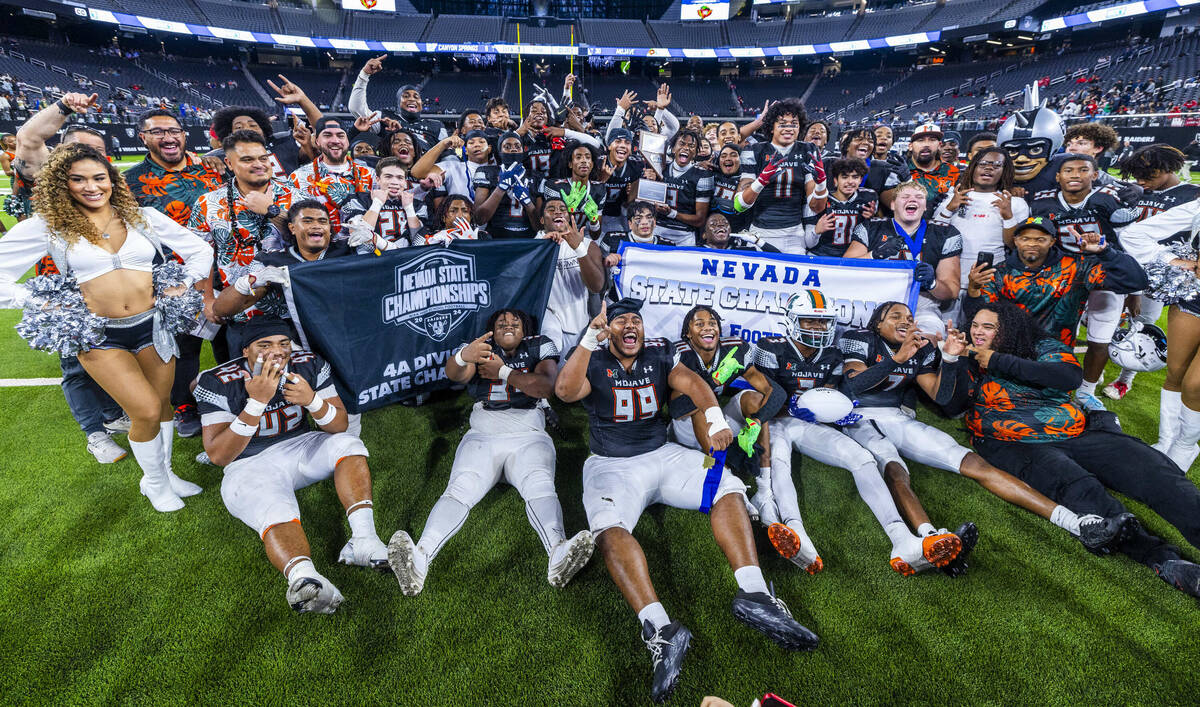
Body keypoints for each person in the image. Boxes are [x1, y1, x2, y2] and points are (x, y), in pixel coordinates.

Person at [554, 297, 818, 703]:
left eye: (635, 321)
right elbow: (565, 391)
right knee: (608, 529)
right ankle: (661, 630)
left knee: (727, 487)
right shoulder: (591, 356)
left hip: (661, 454)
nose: (629, 326)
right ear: (607, 331)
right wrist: (590, 337)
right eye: (621, 320)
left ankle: (755, 593)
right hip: (613, 464)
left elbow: (694, 384)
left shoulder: (660, 353)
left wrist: (714, 420)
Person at [0, 143, 212, 511]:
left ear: (112, 179)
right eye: (77, 179)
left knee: (162, 404)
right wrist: (38, 301)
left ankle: (165, 473)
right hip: (98, 335)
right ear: (61, 184)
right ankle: (155, 483)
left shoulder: (141, 216)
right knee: (144, 410)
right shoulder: (49, 226)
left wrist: (184, 281)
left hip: (153, 326)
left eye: (99, 177)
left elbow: (200, 250)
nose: (91, 186)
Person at [939, 300, 1200, 598]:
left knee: (1153, 471)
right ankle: (1167, 561)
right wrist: (952, 359)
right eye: (974, 325)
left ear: (1009, 329)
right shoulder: (965, 356)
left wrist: (996, 359)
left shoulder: (1040, 345)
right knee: (1082, 491)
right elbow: (951, 405)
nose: (978, 332)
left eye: (988, 327)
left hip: (1076, 430)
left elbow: (1068, 377)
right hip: (1014, 442)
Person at [838, 301, 1130, 561]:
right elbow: (854, 385)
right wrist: (897, 359)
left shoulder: (920, 347)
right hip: (859, 415)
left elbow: (942, 398)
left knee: (974, 463)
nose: (905, 321)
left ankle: (1077, 524)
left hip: (899, 417)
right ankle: (929, 537)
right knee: (895, 470)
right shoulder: (859, 338)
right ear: (876, 323)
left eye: (909, 316)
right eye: (895, 316)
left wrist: (950, 360)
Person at [388, 309, 595, 596]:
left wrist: (503, 372)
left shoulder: (539, 345)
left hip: (528, 433)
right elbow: (455, 373)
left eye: (515, 323)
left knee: (541, 486)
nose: (508, 326)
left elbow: (547, 387)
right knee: (460, 489)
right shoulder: (480, 347)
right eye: (501, 324)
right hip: (483, 433)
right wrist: (463, 357)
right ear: (492, 330)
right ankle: (419, 558)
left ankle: (558, 553)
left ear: (526, 330)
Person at [194, 317, 390, 614]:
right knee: (276, 509)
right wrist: (256, 404)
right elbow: (220, 455)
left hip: (299, 448)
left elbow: (339, 425)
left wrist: (312, 401)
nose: (277, 351)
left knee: (348, 444)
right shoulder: (217, 380)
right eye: (265, 345)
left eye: (283, 343)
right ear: (245, 350)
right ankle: (306, 580)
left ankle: (364, 539)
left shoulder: (307, 363)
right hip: (248, 464)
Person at [11, 92, 129, 463]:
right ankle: (95, 435)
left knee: (114, 352)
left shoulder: (106, 185)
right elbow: (28, 138)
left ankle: (112, 415)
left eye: (96, 152)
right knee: (76, 364)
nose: (88, 157)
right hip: (63, 288)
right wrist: (63, 107)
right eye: (79, 149)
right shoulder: (48, 177)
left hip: (109, 283)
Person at [124, 108, 224, 439]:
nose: (168, 137)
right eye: (158, 132)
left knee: (229, 336)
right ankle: (184, 406)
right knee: (185, 344)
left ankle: (231, 393)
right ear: (143, 137)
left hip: (224, 268)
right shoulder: (130, 181)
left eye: (174, 130)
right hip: (173, 277)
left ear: (184, 135)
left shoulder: (210, 170)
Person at [1028, 154, 1140, 410]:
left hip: (1106, 278)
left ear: (1095, 175)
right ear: (1058, 176)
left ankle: (1086, 391)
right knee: (1054, 334)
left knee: (1099, 340)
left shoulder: (1108, 200)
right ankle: (1053, 379)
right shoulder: (1043, 202)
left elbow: (1130, 246)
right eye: (1068, 170)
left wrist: (1133, 290)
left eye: (1083, 170)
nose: (1075, 175)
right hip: (1065, 278)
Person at [1104, 145, 1198, 401]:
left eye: (1148, 176)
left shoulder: (1192, 196)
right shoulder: (1137, 190)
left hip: (1163, 274)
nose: (1141, 182)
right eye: (1137, 176)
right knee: (1106, 318)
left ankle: (1125, 379)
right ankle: (1098, 368)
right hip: (1122, 264)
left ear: (1167, 169)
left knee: (1143, 324)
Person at [188, 130, 297, 350]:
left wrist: (271, 211)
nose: (259, 164)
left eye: (263, 158)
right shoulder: (208, 203)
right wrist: (207, 299)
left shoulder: (297, 196)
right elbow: (199, 255)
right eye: (247, 159)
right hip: (238, 314)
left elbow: (316, 242)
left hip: (292, 310)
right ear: (229, 163)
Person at [1120, 195, 1200, 470]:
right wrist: (1174, 260)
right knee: (1176, 374)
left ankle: (1185, 446)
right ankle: (1166, 441)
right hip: (1194, 298)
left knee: (1196, 384)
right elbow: (1135, 234)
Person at [213, 199, 352, 348]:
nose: (316, 225)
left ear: (329, 227)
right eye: (307, 221)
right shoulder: (272, 261)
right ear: (292, 228)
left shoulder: (349, 250)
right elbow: (221, 310)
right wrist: (249, 282)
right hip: (299, 342)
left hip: (347, 335)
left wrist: (377, 244)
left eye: (322, 221)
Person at [931, 147, 1029, 325]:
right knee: (946, 334)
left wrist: (1008, 216)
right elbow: (933, 238)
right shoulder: (953, 197)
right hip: (950, 280)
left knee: (982, 336)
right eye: (983, 163)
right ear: (973, 167)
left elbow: (1015, 246)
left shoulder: (1016, 203)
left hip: (989, 282)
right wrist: (949, 208)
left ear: (1005, 170)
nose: (988, 168)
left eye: (996, 165)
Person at [862, 180, 962, 339]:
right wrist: (873, 255)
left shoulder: (945, 232)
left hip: (922, 303)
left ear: (925, 206)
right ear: (893, 204)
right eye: (905, 196)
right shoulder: (871, 227)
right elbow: (846, 268)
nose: (912, 200)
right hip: (877, 299)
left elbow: (951, 291)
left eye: (919, 197)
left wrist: (932, 283)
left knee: (930, 334)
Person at [737, 98, 827, 253]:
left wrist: (821, 184)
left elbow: (816, 207)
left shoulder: (808, 150)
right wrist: (761, 181)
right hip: (760, 233)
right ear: (771, 127)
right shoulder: (754, 150)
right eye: (782, 124)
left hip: (794, 235)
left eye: (794, 123)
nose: (789, 128)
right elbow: (739, 205)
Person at [536, 197, 605, 359]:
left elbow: (596, 286)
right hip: (547, 318)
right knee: (550, 362)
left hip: (579, 321)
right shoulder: (532, 246)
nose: (558, 211)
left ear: (569, 217)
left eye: (562, 209)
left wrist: (578, 248)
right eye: (551, 209)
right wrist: (541, 249)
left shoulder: (588, 245)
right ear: (541, 220)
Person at [288, 117, 374, 237]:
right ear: (317, 141)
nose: (335, 140)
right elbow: (295, 221)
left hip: (367, 249)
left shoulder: (372, 175)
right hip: (323, 251)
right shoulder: (299, 178)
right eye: (327, 135)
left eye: (340, 135)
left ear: (347, 141)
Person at [349, 54, 447, 151]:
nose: (412, 99)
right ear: (399, 102)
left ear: (421, 103)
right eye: (406, 96)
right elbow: (356, 109)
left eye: (416, 97)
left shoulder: (436, 126)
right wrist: (364, 75)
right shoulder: (386, 118)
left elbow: (447, 156)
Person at [640, 129, 713, 246]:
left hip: (684, 235)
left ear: (695, 152)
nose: (686, 148)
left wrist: (672, 213)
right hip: (656, 230)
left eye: (691, 146)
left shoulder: (703, 176)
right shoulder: (659, 169)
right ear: (673, 149)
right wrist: (648, 181)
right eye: (682, 143)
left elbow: (700, 220)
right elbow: (642, 204)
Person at [342, 157, 424, 252]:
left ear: (405, 182)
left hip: (406, 260)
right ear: (377, 179)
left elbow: (420, 243)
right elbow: (356, 235)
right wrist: (377, 204)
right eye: (388, 176)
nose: (394, 182)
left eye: (400, 177)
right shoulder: (358, 199)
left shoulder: (416, 204)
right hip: (369, 261)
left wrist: (410, 210)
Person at [472, 131, 539, 240]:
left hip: (529, 239)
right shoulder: (487, 172)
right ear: (500, 151)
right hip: (496, 237)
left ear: (523, 150)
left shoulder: (535, 176)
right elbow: (479, 219)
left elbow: (539, 226)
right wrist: (501, 188)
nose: (513, 149)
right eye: (507, 147)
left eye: (518, 146)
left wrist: (527, 202)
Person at [805, 157, 876, 258]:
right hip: (820, 256)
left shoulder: (868, 197)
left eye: (855, 177)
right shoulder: (821, 201)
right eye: (844, 177)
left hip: (851, 257)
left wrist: (871, 219)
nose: (850, 181)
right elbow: (808, 244)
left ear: (861, 180)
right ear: (835, 180)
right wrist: (816, 231)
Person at [542, 142, 606, 238]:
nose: (584, 161)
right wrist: (568, 210)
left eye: (588, 157)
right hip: (558, 237)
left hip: (583, 235)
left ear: (592, 164)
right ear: (570, 164)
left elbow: (595, 236)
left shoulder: (599, 189)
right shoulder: (555, 186)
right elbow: (552, 228)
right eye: (578, 157)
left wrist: (594, 221)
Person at [597, 127, 646, 238]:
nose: (623, 145)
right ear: (609, 146)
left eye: (627, 142)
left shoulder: (636, 165)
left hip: (620, 214)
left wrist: (631, 194)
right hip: (596, 214)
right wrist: (601, 181)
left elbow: (630, 203)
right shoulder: (597, 163)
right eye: (618, 141)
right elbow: (587, 197)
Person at [905, 122, 959, 204]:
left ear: (939, 145)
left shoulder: (953, 171)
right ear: (910, 146)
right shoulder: (900, 170)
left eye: (932, 140)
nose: (926, 144)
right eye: (920, 140)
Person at [709, 144, 752, 234]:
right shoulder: (710, 174)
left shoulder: (748, 180)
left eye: (733, 155)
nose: (728, 158)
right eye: (723, 156)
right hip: (710, 232)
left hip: (737, 234)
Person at [698, 211, 777, 252]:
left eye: (725, 223)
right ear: (704, 234)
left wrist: (758, 241)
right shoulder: (694, 252)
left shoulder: (745, 252)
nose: (721, 225)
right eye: (713, 224)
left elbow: (780, 260)